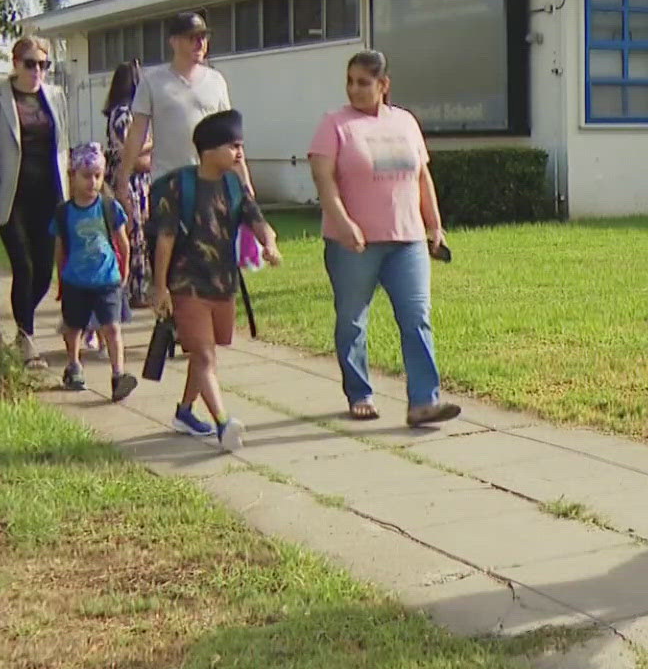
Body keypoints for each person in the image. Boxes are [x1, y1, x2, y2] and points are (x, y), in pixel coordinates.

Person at [306, 50, 461, 427]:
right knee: (353, 320)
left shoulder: (406, 122)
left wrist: (434, 225)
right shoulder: (335, 124)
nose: (355, 90)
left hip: (406, 241)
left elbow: (422, 177)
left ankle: (424, 402)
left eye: (364, 82)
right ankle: (360, 393)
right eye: (350, 82)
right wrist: (343, 223)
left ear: (383, 85)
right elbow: (323, 180)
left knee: (417, 318)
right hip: (354, 244)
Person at [148, 110, 280, 450]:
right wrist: (159, 286)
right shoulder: (180, 186)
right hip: (187, 285)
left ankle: (185, 412)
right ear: (208, 150)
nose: (239, 153)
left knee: (206, 354)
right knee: (204, 356)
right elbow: (165, 239)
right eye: (233, 146)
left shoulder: (234, 185)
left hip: (222, 284)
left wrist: (269, 244)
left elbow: (257, 219)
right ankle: (224, 425)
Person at [0, 35, 70, 361]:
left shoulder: (53, 97)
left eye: (43, 64)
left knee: (43, 271)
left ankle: (22, 326)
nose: (37, 71)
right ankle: (26, 339)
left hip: (47, 195)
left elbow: (62, 146)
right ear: (15, 64)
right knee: (23, 266)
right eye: (30, 64)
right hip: (10, 197)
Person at [120, 11, 248, 228]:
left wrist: (245, 183)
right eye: (192, 37)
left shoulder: (216, 81)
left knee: (209, 253)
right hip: (168, 182)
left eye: (203, 37)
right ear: (174, 41)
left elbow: (229, 137)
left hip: (210, 182)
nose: (200, 43)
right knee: (167, 253)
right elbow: (137, 133)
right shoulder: (153, 82)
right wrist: (123, 177)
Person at [53, 143, 138, 401]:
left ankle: (118, 374)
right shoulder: (64, 213)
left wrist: (123, 273)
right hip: (75, 281)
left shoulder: (109, 207)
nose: (93, 182)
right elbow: (59, 248)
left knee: (112, 327)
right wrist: (60, 280)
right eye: (86, 176)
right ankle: (74, 365)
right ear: (73, 176)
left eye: (98, 176)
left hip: (107, 279)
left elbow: (123, 242)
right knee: (73, 326)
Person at [102, 60, 154, 310]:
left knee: (140, 233)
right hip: (128, 181)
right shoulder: (123, 113)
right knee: (134, 233)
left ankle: (139, 287)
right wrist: (153, 142)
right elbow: (126, 148)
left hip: (139, 179)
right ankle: (134, 289)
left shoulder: (125, 112)